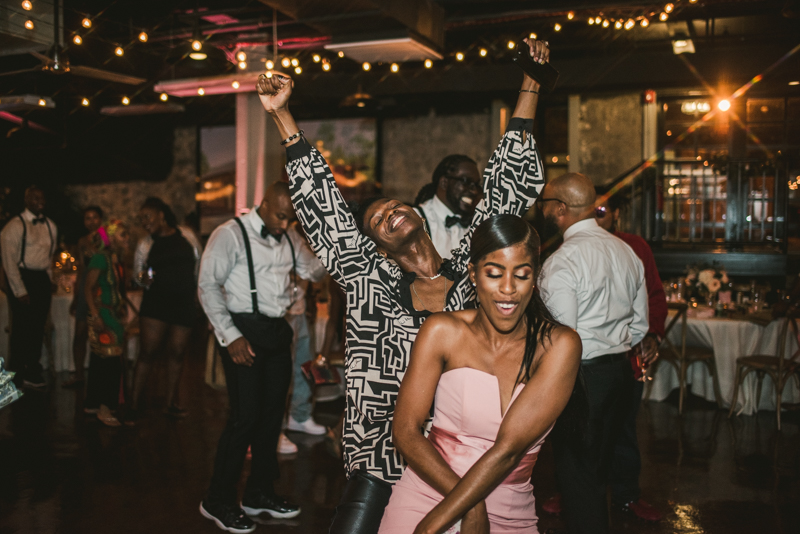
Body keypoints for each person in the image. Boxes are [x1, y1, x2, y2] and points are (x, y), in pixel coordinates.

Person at [257, 37, 549, 534]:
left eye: (394, 206)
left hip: (459, 456)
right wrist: (283, 116)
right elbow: (324, 210)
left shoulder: (472, 278)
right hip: (380, 451)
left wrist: (531, 83)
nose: (387, 213)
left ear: (418, 213)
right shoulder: (369, 281)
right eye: (374, 219)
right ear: (372, 244)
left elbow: (506, 188)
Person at [379, 215, 582, 534]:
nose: (508, 290)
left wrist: (434, 525)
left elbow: (508, 449)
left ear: (535, 277)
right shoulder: (442, 330)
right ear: (473, 274)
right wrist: (470, 506)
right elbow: (405, 429)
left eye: (522, 275)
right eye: (494, 273)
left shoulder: (559, 345)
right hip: (427, 490)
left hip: (509, 509)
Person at [198, 182, 326, 534]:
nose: (284, 224)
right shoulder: (230, 234)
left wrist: (320, 239)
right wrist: (232, 336)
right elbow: (207, 286)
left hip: (276, 330)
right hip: (242, 331)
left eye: (290, 219)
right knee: (245, 418)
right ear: (264, 203)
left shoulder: (289, 237)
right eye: (280, 215)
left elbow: (314, 272)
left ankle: (259, 493)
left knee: (272, 418)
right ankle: (218, 499)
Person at [541, 188, 667, 523]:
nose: (542, 210)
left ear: (561, 208)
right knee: (597, 469)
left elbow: (561, 338)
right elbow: (639, 326)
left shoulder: (562, 260)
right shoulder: (626, 252)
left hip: (580, 377)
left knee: (579, 479)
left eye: (545, 203)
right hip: (620, 374)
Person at [131, 197, 202, 418]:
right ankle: (133, 404)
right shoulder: (146, 243)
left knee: (178, 353)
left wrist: (199, 296)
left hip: (183, 303)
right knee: (147, 353)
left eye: (147, 216)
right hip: (156, 304)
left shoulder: (186, 235)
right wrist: (143, 280)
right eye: (141, 219)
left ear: (161, 215)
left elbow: (200, 264)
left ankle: (171, 401)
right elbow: (138, 275)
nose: (144, 222)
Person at [1, 186, 57, 389]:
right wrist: (19, 290)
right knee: (20, 329)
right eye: (34, 198)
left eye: (41, 197)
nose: (39, 201)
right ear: (26, 200)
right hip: (22, 276)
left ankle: (32, 370)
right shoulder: (14, 226)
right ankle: (14, 375)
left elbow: (49, 257)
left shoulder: (50, 225)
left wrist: (49, 279)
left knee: (37, 327)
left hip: (40, 278)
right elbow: (9, 262)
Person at [84, 220, 130, 427]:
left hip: (111, 313)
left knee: (102, 359)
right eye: (122, 235)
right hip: (103, 313)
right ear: (110, 238)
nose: (127, 238)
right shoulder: (101, 259)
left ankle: (94, 404)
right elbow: (88, 288)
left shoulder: (112, 259)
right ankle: (104, 408)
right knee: (109, 361)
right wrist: (96, 315)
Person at [284, 222, 327, 437]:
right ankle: (274, 428)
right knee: (280, 373)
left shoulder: (305, 242)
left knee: (303, 367)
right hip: (280, 315)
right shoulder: (284, 238)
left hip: (299, 312)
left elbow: (311, 277)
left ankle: (298, 416)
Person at [64, 206, 104, 389]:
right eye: (87, 218)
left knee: (102, 333)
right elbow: (81, 270)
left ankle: (103, 377)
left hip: (103, 289)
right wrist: (75, 296)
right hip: (85, 290)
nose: (91, 221)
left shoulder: (107, 238)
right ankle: (79, 375)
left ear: (101, 219)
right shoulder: (82, 241)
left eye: (95, 217)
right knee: (80, 333)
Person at [413, 155, 482, 259]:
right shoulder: (415, 220)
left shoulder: (475, 224)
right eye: (466, 181)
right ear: (444, 182)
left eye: (476, 184)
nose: (474, 191)